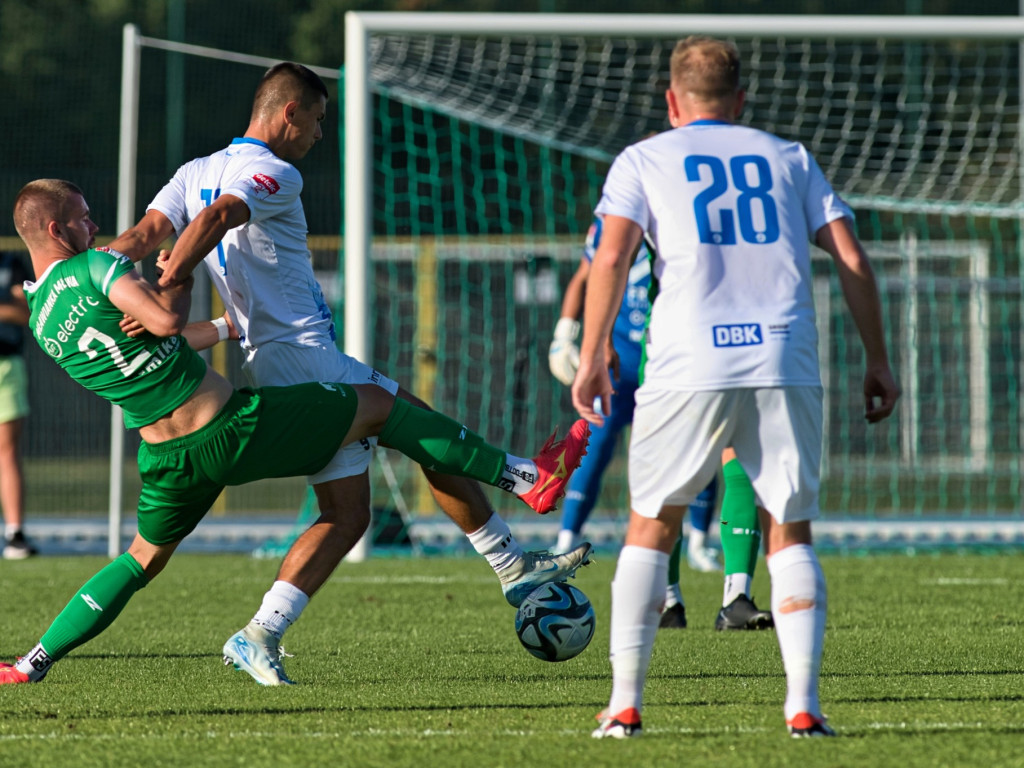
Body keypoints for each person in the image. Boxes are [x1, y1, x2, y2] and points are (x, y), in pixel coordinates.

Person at [108, 62, 592, 687]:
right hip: (302, 354)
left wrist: (90, 277)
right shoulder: (275, 171)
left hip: (270, 356)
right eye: (317, 118)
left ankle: (261, 633)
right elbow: (221, 218)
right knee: (407, 416)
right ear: (289, 113)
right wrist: (169, 283)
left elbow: (144, 234)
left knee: (348, 512)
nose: (317, 133)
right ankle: (525, 477)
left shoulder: (192, 171)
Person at [0, 178, 590, 686]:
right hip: (232, 429)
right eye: (83, 217)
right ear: (57, 230)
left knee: (140, 561)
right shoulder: (95, 265)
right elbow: (162, 320)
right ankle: (526, 477)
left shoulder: (44, 317)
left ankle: (34, 659)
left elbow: (153, 345)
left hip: (166, 460)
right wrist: (171, 275)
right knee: (381, 405)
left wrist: (228, 327)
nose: (95, 224)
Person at [574, 37, 900, 738]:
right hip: (784, 352)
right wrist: (878, 356)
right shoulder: (790, 157)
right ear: (741, 100)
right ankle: (804, 708)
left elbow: (611, 255)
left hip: (689, 357)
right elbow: (850, 255)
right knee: (791, 530)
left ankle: (625, 705)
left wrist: (593, 352)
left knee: (651, 525)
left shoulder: (645, 158)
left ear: (671, 100)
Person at [550, 216, 772, 631]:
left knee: (735, 455)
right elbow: (608, 261)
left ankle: (734, 596)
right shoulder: (648, 185)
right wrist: (590, 338)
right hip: (671, 346)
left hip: (729, 338)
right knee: (662, 466)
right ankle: (667, 599)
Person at [0, 250, 34, 559]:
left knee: (6, 450)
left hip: (5, 366)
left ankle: (15, 533)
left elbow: (26, 313)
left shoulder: (9, 264)